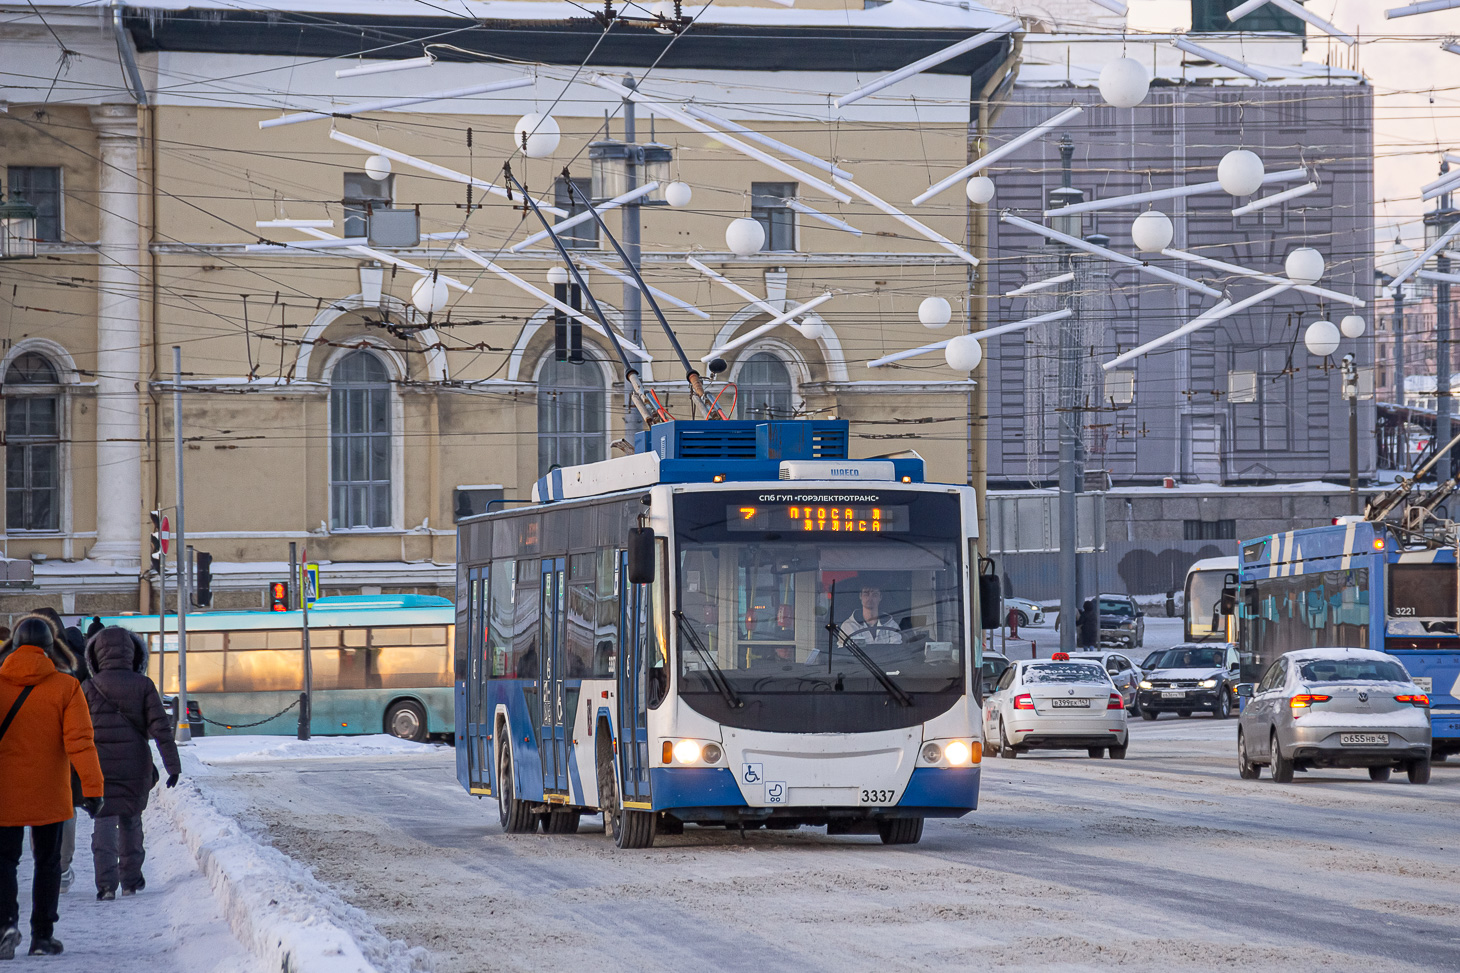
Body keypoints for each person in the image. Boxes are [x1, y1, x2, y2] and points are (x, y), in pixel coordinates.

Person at [0, 616, 105, 958]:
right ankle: (42, 937)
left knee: (4, 861)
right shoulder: (66, 687)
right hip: (50, 793)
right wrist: (93, 789)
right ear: (49, 648)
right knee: (47, 863)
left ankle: (5, 925)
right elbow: (81, 743)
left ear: (14, 646)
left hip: (4, 794)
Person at [82, 627, 182, 900]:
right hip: (135, 765)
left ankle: (105, 885)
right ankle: (131, 880)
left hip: (99, 766)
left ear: (96, 656)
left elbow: (77, 731)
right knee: (131, 820)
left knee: (103, 821)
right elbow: (161, 729)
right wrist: (173, 766)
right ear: (132, 654)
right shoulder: (143, 685)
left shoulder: (88, 687)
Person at [839, 584, 903, 645]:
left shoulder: (891, 625)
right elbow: (844, 650)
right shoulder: (848, 626)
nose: (870, 598)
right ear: (860, 596)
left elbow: (897, 648)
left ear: (880, 597)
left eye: (874, 595)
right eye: (866, 594)